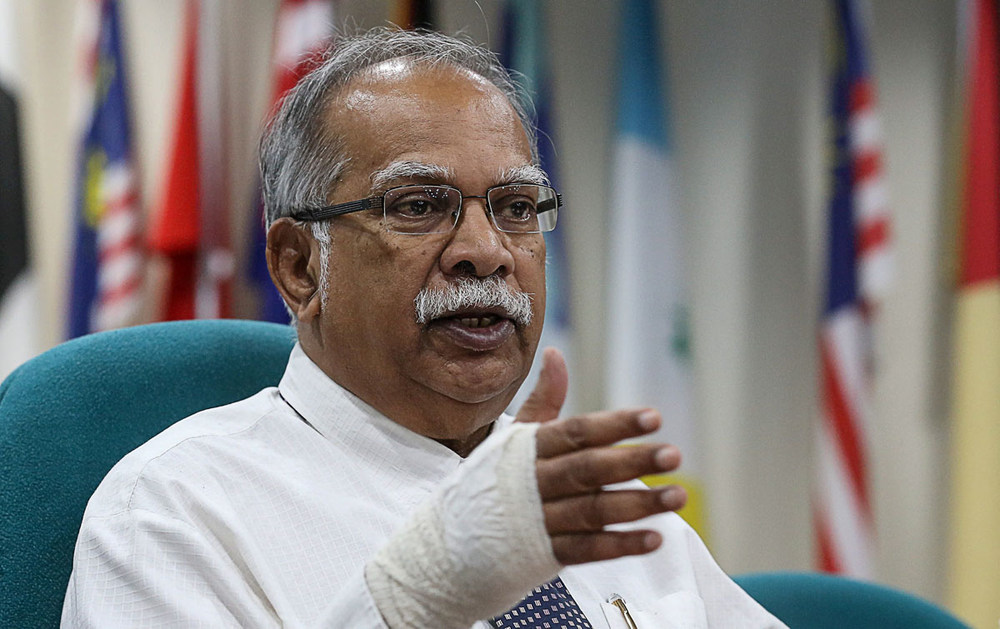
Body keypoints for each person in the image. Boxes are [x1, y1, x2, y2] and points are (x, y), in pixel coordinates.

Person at [62, 28, 784, 628]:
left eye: (517, 206)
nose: (488, 249)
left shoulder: (580, 496)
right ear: (298, 267)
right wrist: (429, 582)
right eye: (418, 205)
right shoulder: (171, 514)